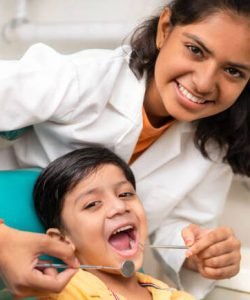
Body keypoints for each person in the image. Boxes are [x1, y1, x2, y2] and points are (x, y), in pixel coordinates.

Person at [0, 0, 249, 298]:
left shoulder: (214, 145)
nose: (204, 83)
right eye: (195, 50)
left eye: (233, 71)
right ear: (165, 29)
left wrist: (198, 250)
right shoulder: (82, 78)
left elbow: (173, 224)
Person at [33, 146, 195, 300]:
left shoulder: (177, 297)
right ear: (62, 240)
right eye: (92, 204)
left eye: (125, 194)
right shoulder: (63, 294)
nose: (119, 207)